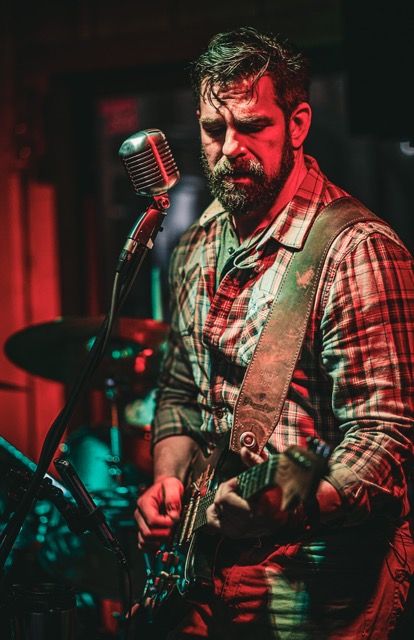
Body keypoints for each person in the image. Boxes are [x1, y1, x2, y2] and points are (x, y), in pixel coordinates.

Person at [134, 27, 414, 639]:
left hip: (321, 578)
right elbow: (179, 392)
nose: (231, 148)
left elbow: (387, 439)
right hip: (203, 568)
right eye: (214, 129)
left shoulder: (356, 251)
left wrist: (290, 504)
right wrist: (167, 481)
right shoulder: (196, 245)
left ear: (298, 124)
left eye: (253, 125)